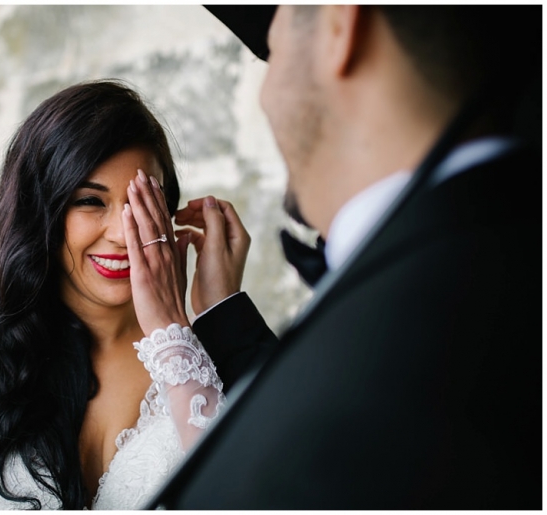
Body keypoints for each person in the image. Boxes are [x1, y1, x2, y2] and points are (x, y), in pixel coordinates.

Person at [120, 5, 542, 509]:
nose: (265, 95)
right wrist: (221, 312)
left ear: (340, 25)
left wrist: (173, 341)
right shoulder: (492, 258)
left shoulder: (412, 356)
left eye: (271, 54)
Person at [0, 80, 225, 509]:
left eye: (142, 204)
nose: (124, 234)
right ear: (42, 210)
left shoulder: (200, 370)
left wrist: (188, 324)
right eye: (90, 201)